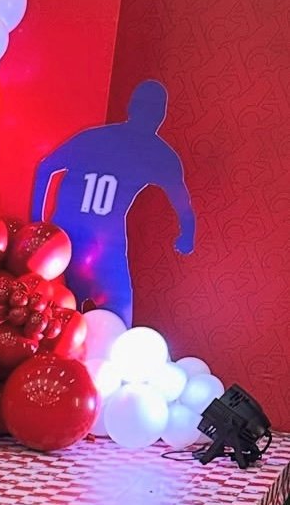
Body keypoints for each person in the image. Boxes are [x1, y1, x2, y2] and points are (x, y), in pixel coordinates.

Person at [30, 80, 195, 325]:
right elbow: (181, 202)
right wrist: (187, 234)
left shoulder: (96, 138)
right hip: (93, 245)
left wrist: (37, 223)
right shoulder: (158, 154)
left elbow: (46, 167)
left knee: (62, 317)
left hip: (79, 240)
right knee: (108, 320)